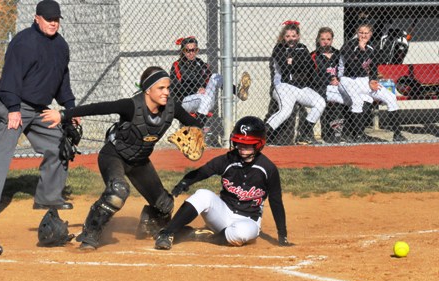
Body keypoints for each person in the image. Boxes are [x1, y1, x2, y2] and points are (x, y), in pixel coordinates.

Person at [41, 66, 204, 250]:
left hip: (139, 162)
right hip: (114, 156)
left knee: (165, 205)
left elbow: (195, 124)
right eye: (161, 88)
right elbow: (98, 108)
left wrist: (198, 132)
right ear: (148, 89)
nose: (166, 92)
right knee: (118, 191)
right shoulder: (131, 106)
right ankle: (90, 233)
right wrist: (63, 114)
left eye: (168, 88)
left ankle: (148, 225)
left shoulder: (171, 108)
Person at [0, 0, 78, 219]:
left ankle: (48, 197)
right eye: (49, 19)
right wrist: (12, 109)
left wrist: (70, 109)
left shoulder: (61, 46)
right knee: (5, 149)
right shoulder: (24, 42)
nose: (53, 23)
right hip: (12, 101)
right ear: (36, 18)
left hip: (39, 108)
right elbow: (10, 77)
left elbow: (62, 83)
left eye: (56, 20)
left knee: (59, 143)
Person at [154, 116, 292, 250]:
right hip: (222, 213)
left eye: (247, 143)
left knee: (241, 233)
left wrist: (282, 235)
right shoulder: (228, 159)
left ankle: (206, 237)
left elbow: (276, 202)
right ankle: (167, 233)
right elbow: (204, 171)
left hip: (248, 220)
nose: (242, 146)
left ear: (259, 144)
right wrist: (184, 182)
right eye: (239, 142)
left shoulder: (268, 169)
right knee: (203, 194)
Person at [338, 23, 407, 142]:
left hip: (364, 80)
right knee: (358, 101)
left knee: (390, 97)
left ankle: (397, 134)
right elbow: (353, 68)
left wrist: (373, 80)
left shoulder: (371, 47)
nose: (363, 35)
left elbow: (374, 66)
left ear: (370, 34)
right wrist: (360, 49)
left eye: (366, 33)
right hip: (348, 80)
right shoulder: (348, 46)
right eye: (361, 33)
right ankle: (358, 135)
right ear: (356, 33)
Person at [265, 21, 326, 145]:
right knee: (286, 110)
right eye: (287, 36)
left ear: (298, 36)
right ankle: (262, 135)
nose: (291, 39)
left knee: (320, 103)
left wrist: (293, 62)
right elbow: (284, 68)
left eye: (293, 36)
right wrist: (297, 63)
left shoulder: (302, 47)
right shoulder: (279, 48)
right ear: (283, 37)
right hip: (283, 86)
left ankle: (304, 135)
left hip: (300, 87)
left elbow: (309, 66)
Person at [170, 36, 251, 125]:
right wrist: (196, 89)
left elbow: (208, 80)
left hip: (204, 98)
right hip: (186, 101)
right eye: (187, 50)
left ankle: (238, 92)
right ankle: (198, 127)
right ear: (182, 51)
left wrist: (203, 88)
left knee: (215, 77)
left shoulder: (200, 63)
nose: (191, 53)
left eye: (194, 50)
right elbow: (176, 88)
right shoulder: (177, 65)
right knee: (203, 98)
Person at [311, 27, 350, 143]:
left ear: (332, 40)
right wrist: (329, 80)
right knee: (329, 102)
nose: (325, 42)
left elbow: (346, 70)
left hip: (338, 86)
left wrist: (339, 79)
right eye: (322, 39)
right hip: (321, 87)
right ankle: (329, 134)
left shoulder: (339, 54)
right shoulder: (313, 56)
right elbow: (312, 77)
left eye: (328, 39)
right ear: (318, 40)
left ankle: (342, 133)